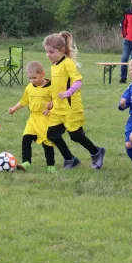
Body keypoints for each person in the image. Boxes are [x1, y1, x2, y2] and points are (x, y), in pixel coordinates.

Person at [44, 31, 105, 169]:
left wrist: (67, 93)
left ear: (61, 50)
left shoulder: (68, 63)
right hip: (58, 109)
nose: (48, 55)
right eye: (46, 52)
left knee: (75, 135)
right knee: (52, 134)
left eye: (51, 52)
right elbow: (57, 86)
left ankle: (96, 152)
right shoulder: (53, 66)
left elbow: (78, 81)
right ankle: (70, 160)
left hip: (71, 107)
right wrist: (52, 102)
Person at [8, 61, 56, 173]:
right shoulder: (29, 87)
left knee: (47, 142)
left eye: (34, 78)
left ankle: (51, 166)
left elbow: (57, 101)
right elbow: (24, 101)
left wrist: (51, 107)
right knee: (26, 138)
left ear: (43, 74)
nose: (32, 81)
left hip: (45, 119)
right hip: (33, 118)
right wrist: (14, 108)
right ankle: (26, 162)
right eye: (30, 78)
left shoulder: (51, 87)